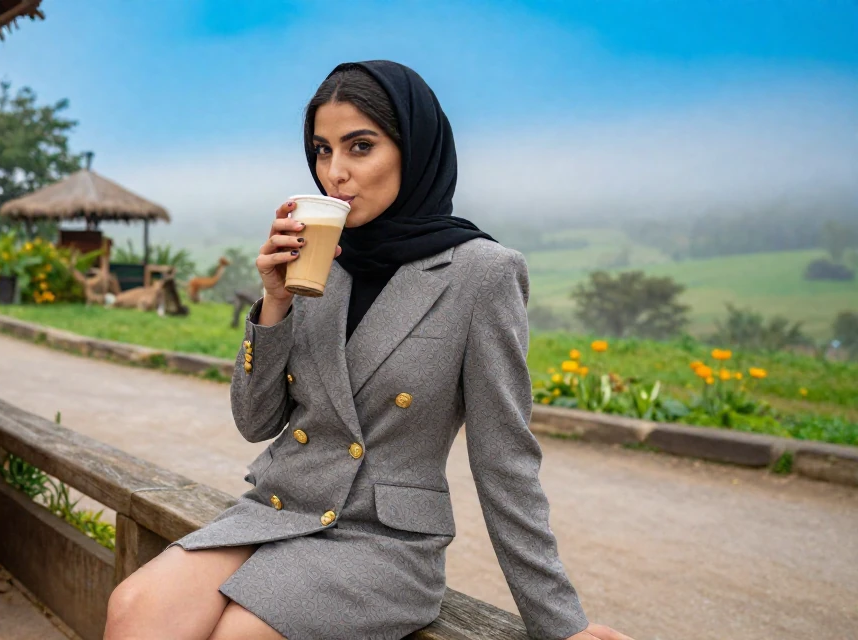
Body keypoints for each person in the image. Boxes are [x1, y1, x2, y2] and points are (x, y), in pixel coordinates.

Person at [105, 60, 633, 640]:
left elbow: (504, 460)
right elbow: (256, 423)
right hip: (279, 509)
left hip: (382, 541)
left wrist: (561, 626)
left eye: (360, 147)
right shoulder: (320, 257)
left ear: (414, 148)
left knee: (242, 634)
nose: (335, 173)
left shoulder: (482, 274)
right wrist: (274, 303)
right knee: (133, 607)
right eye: (322, 150)